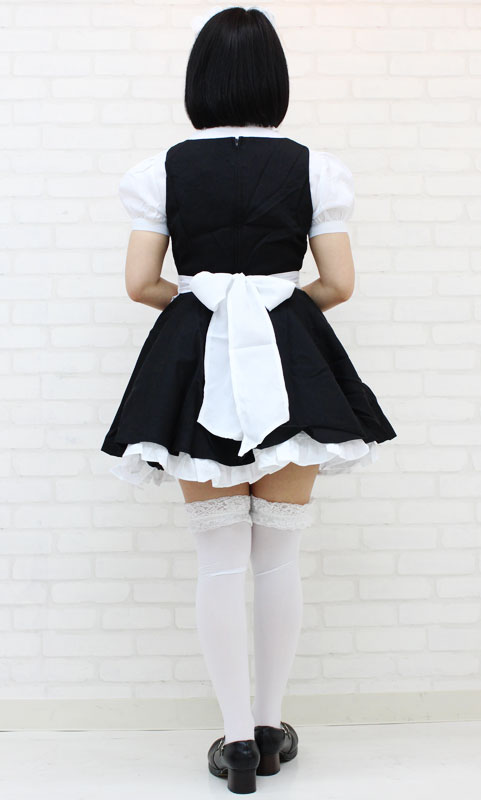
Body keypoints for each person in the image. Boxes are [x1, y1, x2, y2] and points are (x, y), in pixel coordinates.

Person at [100, 6, 397, 794]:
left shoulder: (160, 170)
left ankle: (233, 738)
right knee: (278, 558)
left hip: (196, 365)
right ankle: (269, 728)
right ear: (275, 80)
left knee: (218, 561)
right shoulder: (314, 168)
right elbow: (337, 283)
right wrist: (271, 317)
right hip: (290, 361)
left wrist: (210, 314)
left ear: (198, 80)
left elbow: (140, 284)